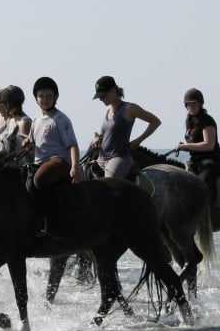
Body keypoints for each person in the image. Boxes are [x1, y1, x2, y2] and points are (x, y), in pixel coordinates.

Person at [24, 76, 80, 236]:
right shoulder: (36, 120)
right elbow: (34, 142)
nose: (45, 99)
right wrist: (28, 143)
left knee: (39, 179)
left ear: (55, 97)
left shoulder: (61, 119)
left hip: (59, 160)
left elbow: (73, 145)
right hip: (39, 161)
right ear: (36, 99)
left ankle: (52, 223)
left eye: (49, 96)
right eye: (41, 96)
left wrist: (74, 168)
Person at [91, 75, 161, 181]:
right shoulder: (108, 112)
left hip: (119, 158)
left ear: (113, 90)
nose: (100, 99)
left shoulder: (129, 108)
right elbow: (108, 135)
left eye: (103, 95)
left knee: (109, 182)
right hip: (101, 159)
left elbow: (155, 122)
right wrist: (98, 138)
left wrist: (139, 140)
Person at [175, 87, 220, 205]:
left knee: (203, 187)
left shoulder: (207, 121)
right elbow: (194, 144)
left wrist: (186, 146)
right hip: (195, 162)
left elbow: (209, 145)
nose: (191, 106)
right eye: (188, 104)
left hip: (212, 162)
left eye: (194, 104)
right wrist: (184, 146)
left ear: (200, 104)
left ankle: (207, 213)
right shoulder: (190, 122)